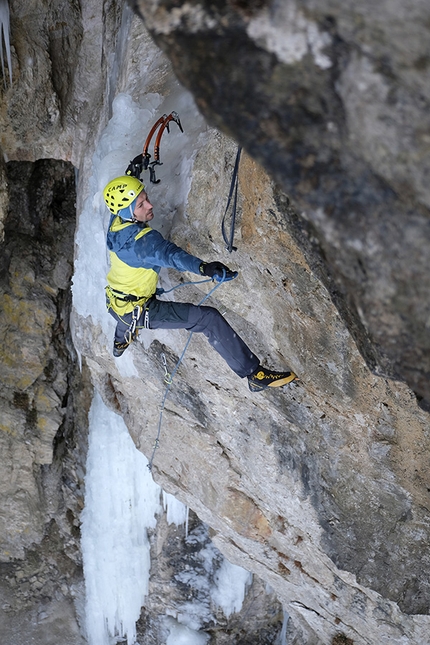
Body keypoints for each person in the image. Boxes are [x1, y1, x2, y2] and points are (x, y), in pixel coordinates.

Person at [103, 175, 297, 392]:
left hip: (118, 299)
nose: (150, 204)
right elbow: (171, 255)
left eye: (145, 197)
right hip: (139, 309)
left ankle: (120, 342)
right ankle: (254, 375)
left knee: (125, 319)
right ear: (126, 212)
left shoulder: (116, 222)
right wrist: (204, 268)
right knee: (208, 319)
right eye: (140, 204)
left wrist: (134, 172)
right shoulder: (141, 244)